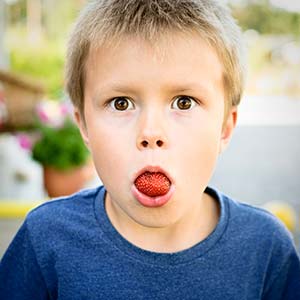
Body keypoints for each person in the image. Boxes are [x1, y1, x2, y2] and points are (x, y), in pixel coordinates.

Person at [1, 0, 300, 299]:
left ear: (225, 127)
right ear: (84, 126)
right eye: (121, 103)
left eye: (184, 102)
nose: (150, 133)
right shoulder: (45, 239)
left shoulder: (266, 248)